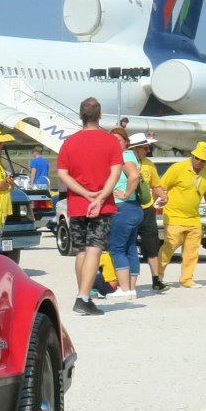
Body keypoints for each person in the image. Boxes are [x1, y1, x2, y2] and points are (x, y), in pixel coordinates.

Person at [55, 97, 125, 316]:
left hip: (77, 204)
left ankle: (84, 294)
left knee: (82, 250)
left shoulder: (70, 142)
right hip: (102, 206)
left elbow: (63, 173)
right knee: (95, 247)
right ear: (101, 115)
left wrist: (84, 193)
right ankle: (83, 297)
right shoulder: (111, 141)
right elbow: (116, 171)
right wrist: (101, 197)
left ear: (80, 115)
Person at [157, 141, 206, 288]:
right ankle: (157, 275)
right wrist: (158, 201)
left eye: (203, 160)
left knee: (192, 251)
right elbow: (160, 186)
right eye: (197, 158)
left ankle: (186, 279)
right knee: (169, 247)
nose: (199, 162)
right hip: (174, 216)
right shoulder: (178, 168)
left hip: (193, 218)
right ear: (192, 156)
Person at [104, 127, 143, 299]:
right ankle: (132, 289)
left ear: (126, 142)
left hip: (123, 206)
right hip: (134, 208)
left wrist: (126, 193)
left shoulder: (124, 157)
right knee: (130, 248)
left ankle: (125, 289)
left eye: (118, 140)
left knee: (116, 248)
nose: (114, 143)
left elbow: (133, 176)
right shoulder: (130, 156)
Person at [128, 132, 169, 292]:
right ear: (135, 149)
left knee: (152, 245)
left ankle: (156, 279)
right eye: (145, 148)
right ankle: (122, 280)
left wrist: (164, 196)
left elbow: (155, 185)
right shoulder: (125, 162)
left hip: (147, 210)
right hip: (130, 207)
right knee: (127, 245)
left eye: (148, 148)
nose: (147, 150)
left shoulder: (149, 164)